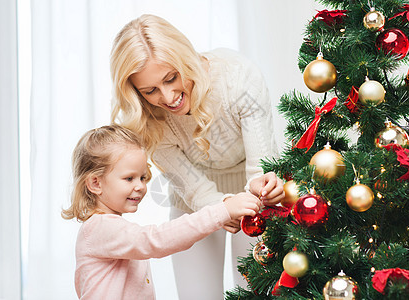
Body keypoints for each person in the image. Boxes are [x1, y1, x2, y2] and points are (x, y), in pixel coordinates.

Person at [110, 14, 285, 299]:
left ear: (185, 59)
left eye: (171, 78)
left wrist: (261, 187)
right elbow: (194, 187)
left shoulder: (238, 77)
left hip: (255, 194)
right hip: (194, 201)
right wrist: (221, 206)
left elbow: (260, 168)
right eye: (150, 90)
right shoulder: (145, 120)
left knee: (256, 292)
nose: (167, 97)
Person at [61, 124, 261, 299]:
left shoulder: (110, 228)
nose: (140, 186)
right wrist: (222, 210)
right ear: (95, 183)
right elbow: (156, 239)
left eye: (143, 177)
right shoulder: (99, 228)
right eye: (129, 178)